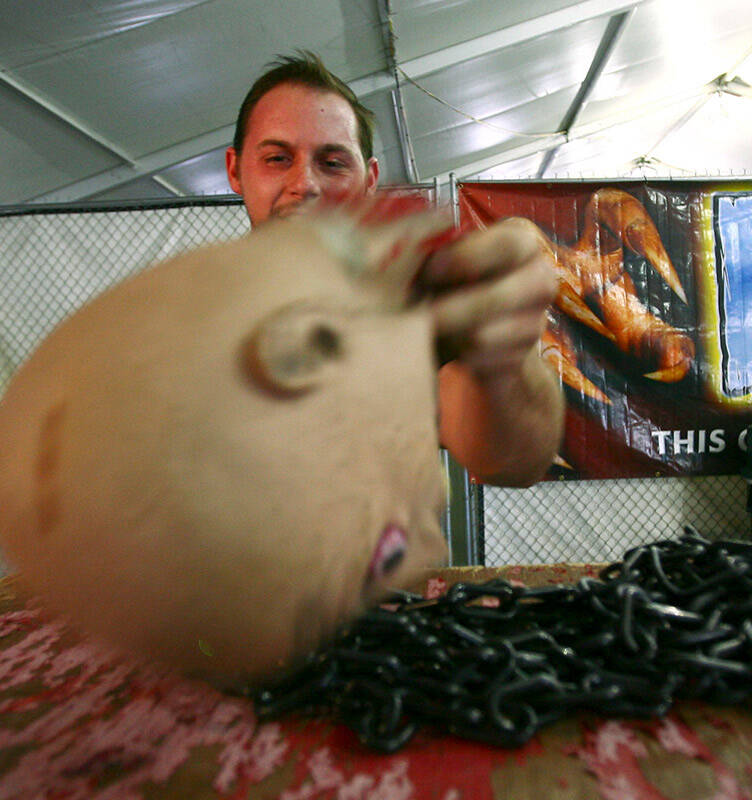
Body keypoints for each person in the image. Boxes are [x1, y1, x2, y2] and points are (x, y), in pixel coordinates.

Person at [225, 51, 564, 487]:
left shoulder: (406, 303)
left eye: (332, 163)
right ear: (236, 170)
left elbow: (517, 462)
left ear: (369, 180)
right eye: (277, 158)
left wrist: (501, 363)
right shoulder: (183, 315)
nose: (305, 185)